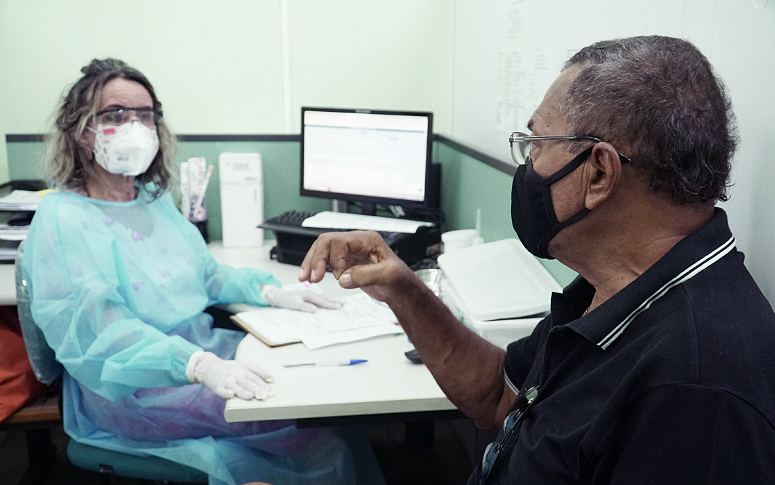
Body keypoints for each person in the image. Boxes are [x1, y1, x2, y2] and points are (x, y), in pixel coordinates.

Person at [300, 35, 775, 484]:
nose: (526, 167)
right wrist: (402, 287)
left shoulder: (695, 391)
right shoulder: (613, 286)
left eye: (535, 146)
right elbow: (498, 395)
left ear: (599, 173)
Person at [22, 58, 371, 485]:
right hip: (131, 389)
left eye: (145, 115)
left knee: (319, 394)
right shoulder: (63, 219)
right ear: (81, 131)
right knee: (306, 427)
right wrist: (197, 366)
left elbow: (204, 275)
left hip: (199, 352)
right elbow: (103, 340)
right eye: (115, 114)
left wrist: (271, 292)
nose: (134, 125)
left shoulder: (151, 199)